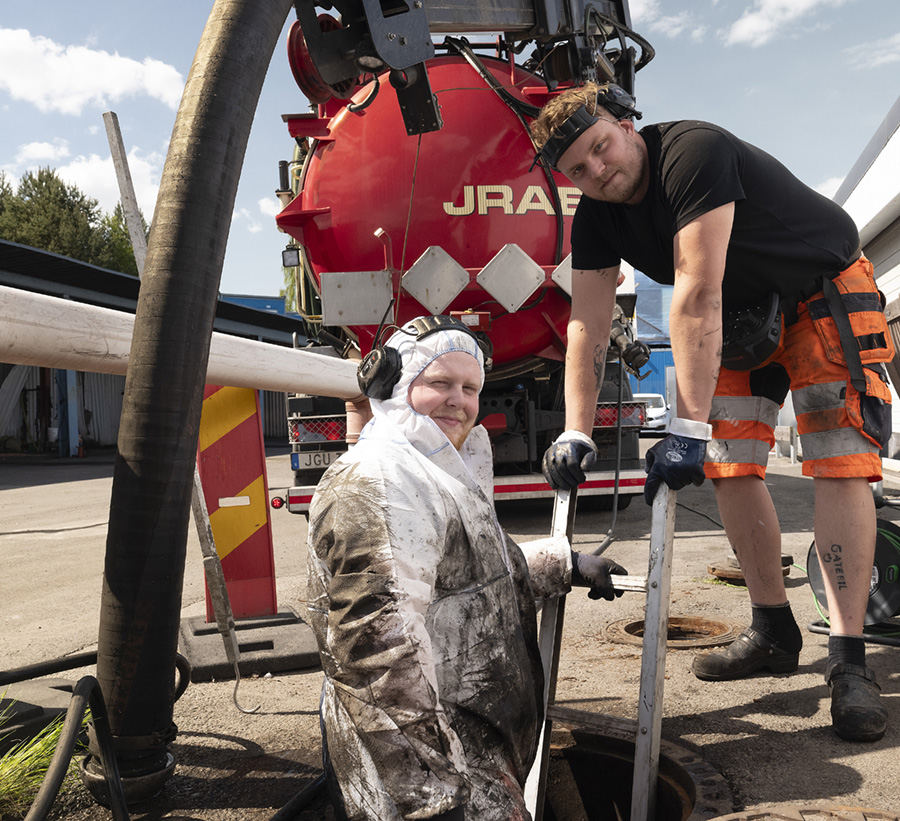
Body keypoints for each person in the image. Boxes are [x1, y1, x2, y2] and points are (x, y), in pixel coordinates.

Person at [535, 82, 894, 743]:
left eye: (601, 148)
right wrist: (576, 430)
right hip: (743, 311)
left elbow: (694, 293)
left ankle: (848, 662)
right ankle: (773, 628)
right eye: (579, 171)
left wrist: (686, 426)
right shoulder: (597, 215)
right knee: (729, 464)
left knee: (838, 459)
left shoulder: (690, 153)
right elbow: (586, 323)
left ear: (622, 123)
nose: (598, 172)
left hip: (822, 289)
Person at [306, 314, 628, 821]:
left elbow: (468, 577)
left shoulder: (430, 464)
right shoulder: (381, 482)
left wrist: (562, 562)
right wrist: (432, 796)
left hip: (469, 743)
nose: (459, 399)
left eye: (470, 387)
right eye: (439, 384)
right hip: (432, 768)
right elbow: (378, 657)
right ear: (394, 385)